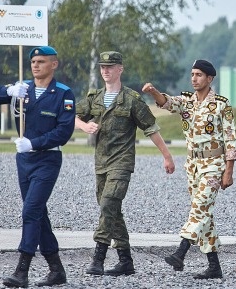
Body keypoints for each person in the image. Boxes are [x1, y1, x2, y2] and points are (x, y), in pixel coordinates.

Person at [0, 45, 76, 288]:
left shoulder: (63, 93)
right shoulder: (23, 89)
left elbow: (64, 131)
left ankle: (22, 270)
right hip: (24, 161)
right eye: (33, 62)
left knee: (30, 211)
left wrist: (34, 143)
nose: (35, 65)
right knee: (38, 213)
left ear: (54, 64)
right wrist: (8, 90)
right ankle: (56, 269)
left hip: (47, 159)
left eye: (41, 61)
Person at [75, 51, 174, 277]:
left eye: (110, 67)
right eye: (102, 67)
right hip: (101, 163)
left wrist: (167, 156)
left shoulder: (131, 99)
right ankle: (125, 261)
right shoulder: (94, 98)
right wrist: (84, 126)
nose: (105, 70)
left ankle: (98, 258)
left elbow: (151, 128)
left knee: (108, 203)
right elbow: (70, 115)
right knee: (111, 210)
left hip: (122, 162)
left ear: (120, 69)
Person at [143, 59, 236, 279]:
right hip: (193, 165)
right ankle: (214, 266)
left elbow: (231, 139)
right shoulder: (187, 101)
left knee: (199, 208)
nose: (194, 78)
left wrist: (229, 171)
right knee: (204, 214)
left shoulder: (221, 105)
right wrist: (153, 92)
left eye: (199, 75)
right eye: (193, 74)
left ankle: (181, 252)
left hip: (214, 164)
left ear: (209, 78)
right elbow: (167, 103)